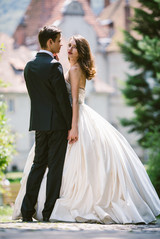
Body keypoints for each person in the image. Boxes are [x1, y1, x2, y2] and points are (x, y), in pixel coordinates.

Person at [13, 35, 160, 224]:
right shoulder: (71, 68)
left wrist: (73, 127)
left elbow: (73, 100)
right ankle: (47, 207)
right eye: (68, 46)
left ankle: (51, 206)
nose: (69, 49)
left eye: (73, 47)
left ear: (81, 51)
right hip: (73, 116)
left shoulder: (74, 69)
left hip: (76, 117)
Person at [19, 25, 72, 222]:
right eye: (58, 40)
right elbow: (61, 99)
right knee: (55, 168)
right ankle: (48, 213)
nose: (61, 44)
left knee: (38, 165)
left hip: (39, 123)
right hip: (57, 125)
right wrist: (70, 125)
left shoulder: (29, 66)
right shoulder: (54, 66)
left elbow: (38, 95)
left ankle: (26, 211)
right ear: (49, 42)